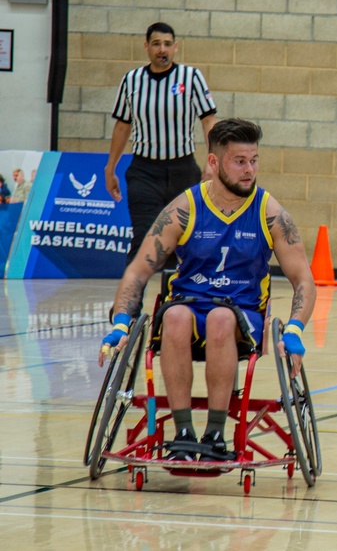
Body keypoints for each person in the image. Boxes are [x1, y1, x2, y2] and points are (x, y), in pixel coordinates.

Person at [98, 118, 316, 461]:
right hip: (189, 303)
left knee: (219, 318)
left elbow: (303, 278)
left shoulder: (269, 211)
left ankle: (215, 434)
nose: (249, 170)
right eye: (239, 161)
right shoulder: (184, 208)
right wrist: (122, 321)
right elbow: (139, 269)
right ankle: (183, 432)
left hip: (241, 313)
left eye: (254, 160)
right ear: (213, 163)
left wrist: (294, 328)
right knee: (175, 317)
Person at [106, 21, 218, 266]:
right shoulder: (132, 80)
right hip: (144, 172)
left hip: (182, 171)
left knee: (185, 242)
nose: (162, 49)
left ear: (175, 48)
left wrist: (212, 163)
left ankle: (178, 303)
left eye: (167, 44)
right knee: (144, 240)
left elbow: (209, 120)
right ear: (146, 47)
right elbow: (123, 126)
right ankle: (128, 305)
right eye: (156, 44)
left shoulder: (191, 77)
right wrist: (110, 167)